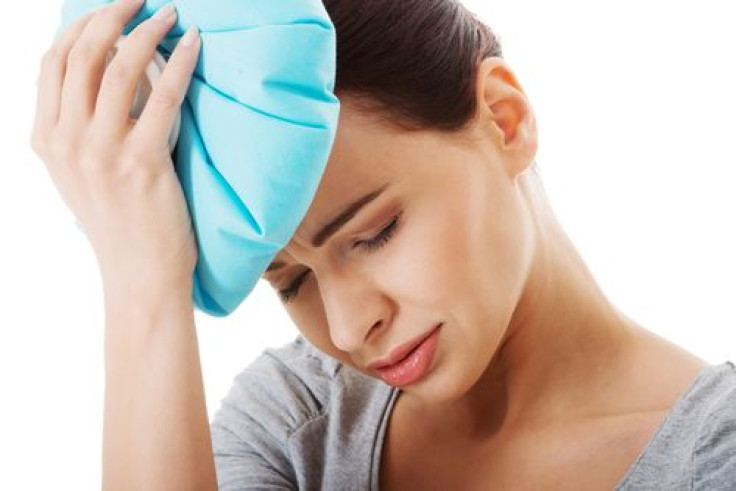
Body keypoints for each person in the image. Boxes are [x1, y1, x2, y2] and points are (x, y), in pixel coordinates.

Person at [31, 0, 736, 489]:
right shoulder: (297, 420)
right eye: (292, 283)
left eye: (374, 233)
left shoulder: (715, 455)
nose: (345, 327)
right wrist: (141, 281)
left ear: (504, 119)